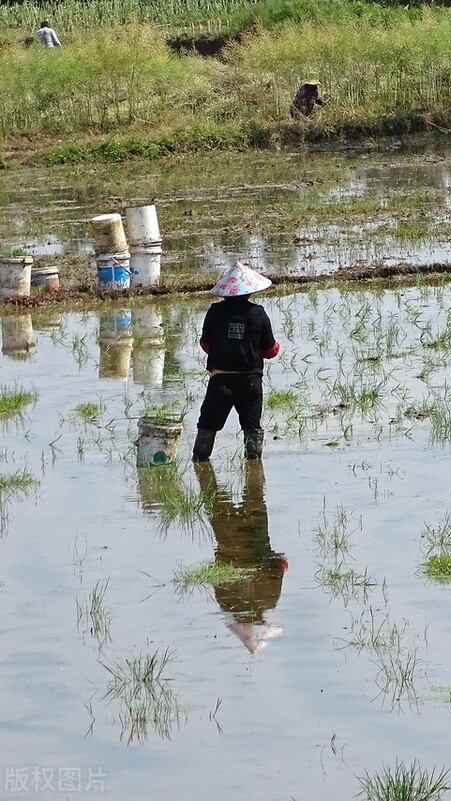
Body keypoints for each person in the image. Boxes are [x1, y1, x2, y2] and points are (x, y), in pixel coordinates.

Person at [196, 459, 287, 653]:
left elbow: (279, 565)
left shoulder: (267, 601)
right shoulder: (229, 603)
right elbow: (278, 566)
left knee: (217, 488)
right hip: (239, 533)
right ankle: (252, 458)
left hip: (234, 533)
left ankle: (200, 459)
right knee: (251, 488)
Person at [192, 262, 280, 461]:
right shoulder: (258, 313)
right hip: (250, 381)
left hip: (220, 381)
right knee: (252, 428)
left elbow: (206, 344)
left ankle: (200, 462)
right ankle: (254, 472)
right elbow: (270, 350)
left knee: (206, 425)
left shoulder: (214, 312)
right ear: (249, 292)